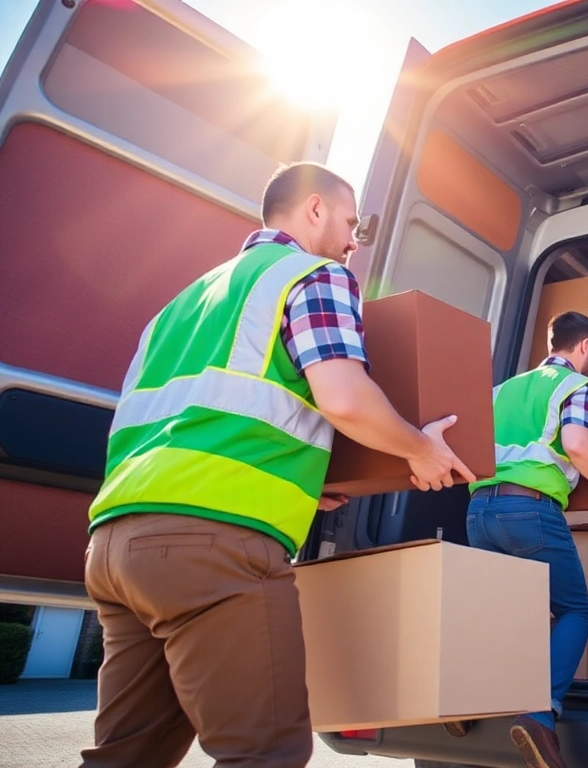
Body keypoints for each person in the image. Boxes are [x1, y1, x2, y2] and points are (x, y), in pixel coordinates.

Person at [80, 162, 474, 768]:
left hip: (115, 546)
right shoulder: (314, 276)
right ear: (314, 209)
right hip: (213, 546)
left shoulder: (183, 303)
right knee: (265, 755)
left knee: (126, 757)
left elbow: (196, 418)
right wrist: (420, 450)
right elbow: (342, 397)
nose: (351, 242)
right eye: (349, 224)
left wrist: (302, 483)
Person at [464, 311, 588, 768]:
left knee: (506, 613)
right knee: (575, 610)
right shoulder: (576, 388)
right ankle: (539, 714)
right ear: (587, 344)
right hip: (530, 510)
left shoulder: (502, 391)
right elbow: (576, 442)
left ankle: (465, 699)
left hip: (480, 509)